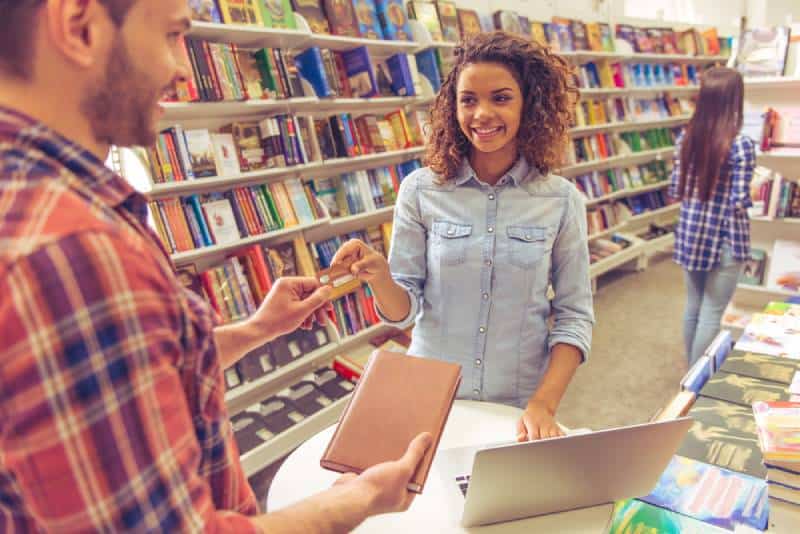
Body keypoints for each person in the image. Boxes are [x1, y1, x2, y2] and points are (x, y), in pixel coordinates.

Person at [0, 1, 430, 531]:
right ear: (79, 26)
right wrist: (356, 499)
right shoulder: (74, 250)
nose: (182, 68)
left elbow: (107, 385)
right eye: (172, 36)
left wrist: (256, 330)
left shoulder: (36, 203)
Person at [330, 32, 594, 442]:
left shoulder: (560, 200)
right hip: (430, 395)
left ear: (531, 105)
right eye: (468, 99)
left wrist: (544, 404)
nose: (482, 113)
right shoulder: (420, 191)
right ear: (453, 108)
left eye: (501, 98)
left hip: (517, 404)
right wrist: (381, 276)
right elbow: (404, 311)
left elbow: (575, 317)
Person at [669, 67, 756, 366]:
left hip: (691, 235)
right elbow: (739, 200)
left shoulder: (685, 139)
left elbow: (674, 187)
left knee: (693, 306)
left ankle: (690, 373)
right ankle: (697, 381)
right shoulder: (740, 144)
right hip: (726, 239)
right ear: (735, 99)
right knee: (712, 312)